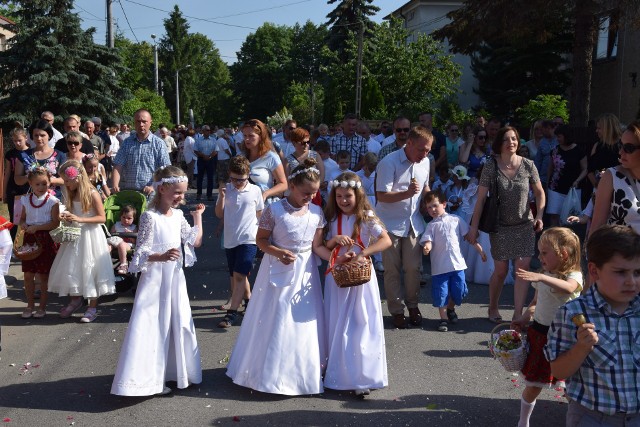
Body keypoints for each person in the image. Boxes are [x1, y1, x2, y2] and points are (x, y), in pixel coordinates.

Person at [226, 159, 326, 396]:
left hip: (305, 271)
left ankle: (301, 370)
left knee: (303, 320)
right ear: (291, 185)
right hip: (278, 267)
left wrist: (337, 259)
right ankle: (267, 370)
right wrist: (278, 252)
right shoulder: (275, 210)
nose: (310, 198)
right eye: (305, 193)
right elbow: (261, 240)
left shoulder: (316, 212)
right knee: (277, 316)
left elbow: (318, 246)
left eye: (314, 193)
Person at [111, 166, 205, 397]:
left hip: (174, 278)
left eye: (183, 193)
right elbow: (141, 252)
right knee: (152, 324)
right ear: (162, 189)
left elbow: (195, 241)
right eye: (177, 193)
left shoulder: (179, 216)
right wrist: (160, 256)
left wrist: (198, 218)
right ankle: (146, 379)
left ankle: (174, 371)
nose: (181, 197)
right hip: (154, 279)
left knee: (176, 321)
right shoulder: (149, 217)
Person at [545, 225, 640, 426]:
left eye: (638, 272)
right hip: (593, 417)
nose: (631, 281)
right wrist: (581, 348)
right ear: (594, 271)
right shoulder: (573, 313)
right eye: (621, 272)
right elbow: (559, 371)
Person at [316, 172, 391, 397]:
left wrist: (363, 254)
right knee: (337, 321)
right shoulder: (329, 217)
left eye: (348, 196)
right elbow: (320, 247)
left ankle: (361, 376)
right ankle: (337, 371)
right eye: (338, 196)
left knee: (360, 323)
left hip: (361, 278)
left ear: (357, 195)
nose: (343, 200)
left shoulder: (366, 216)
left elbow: (385, 239)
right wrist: (333, 242)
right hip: (337, 276)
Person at [467, 126, 545, 323]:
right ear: (499, 143)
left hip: (524, 224)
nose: (511, 142)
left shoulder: (528, 165)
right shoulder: (491, 166)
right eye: (507, 139)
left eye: (514, 139)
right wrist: (473, 227)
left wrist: (540, 215)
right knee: (501, 271)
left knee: (523, 268)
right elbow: (481, 199)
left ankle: (518, 314)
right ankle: (493, 306)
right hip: (500, 226)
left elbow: (540, 193)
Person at [510, 227, 583, 427]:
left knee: (572, 386)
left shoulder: (574, 276)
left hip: (566, 337)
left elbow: (568, 288)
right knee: (534, 384)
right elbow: (535, 302)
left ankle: (576, 419)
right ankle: (523, 421)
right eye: (539, 252)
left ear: (563, 254)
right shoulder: (543, 274)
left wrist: (541, 277)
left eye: (544, 253)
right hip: (541, 334)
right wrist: (524, 319)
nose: (539, 256)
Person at [375, 126, 432, 329]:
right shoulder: (388, 162)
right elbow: (382, 195)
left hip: (413, 223)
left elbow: (425, 187)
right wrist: (407, 193)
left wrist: (430, 200)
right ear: (409, 144)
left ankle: (413, 306)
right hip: (389, 224)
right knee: (392, 270)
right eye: (421, 150)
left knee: (413, 268)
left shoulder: (425, 163)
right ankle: (397, 310)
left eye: (428, 150)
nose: (425, 154)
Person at [48, 160, 115, 323]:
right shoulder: (71, 192)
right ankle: (75, 300)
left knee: (91, 267)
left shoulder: (92, 193)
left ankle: (92, 306)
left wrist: (79, 218)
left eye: (67, 180)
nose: (65, 184)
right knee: (73, 267)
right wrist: (66, 217)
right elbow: (73, 212)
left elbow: (101, 218)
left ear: (77, 178)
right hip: (75, 234)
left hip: (91, 235)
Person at [421, 190, 486, 332]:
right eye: (429, 207)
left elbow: (469, 237)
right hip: (440, 267)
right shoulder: (431, 226)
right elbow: (428, 240)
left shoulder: (456, 220)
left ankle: (451, 308)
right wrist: (427, 247)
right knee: (441, 293)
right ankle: (443, 319)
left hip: (457, 265)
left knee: (459, 290)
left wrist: (480, 250)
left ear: (444, 204)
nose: (432, 209)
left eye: (435, 205)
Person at [215, 156, 264, 328]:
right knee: (236, 275)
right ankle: (249, 302)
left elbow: (260, 214)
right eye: (234, 179)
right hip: (230, 239)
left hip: (249, 239)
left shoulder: (255, 191)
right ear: (229, 175)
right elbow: (219, 214)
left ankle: (232, 313)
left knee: (240, 275)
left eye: (241, 180)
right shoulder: (226, 189)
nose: (237, 183)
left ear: (248, 174)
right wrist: (221, 197)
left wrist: (264, 237)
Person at [17, 167, 60, 318]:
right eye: (37, 184)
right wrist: (23, 224)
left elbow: (55, 223)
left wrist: (38, 227)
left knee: (43, 276)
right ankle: (29, 306)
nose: (41, 187)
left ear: (50, 183)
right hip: (30, 239)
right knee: (28, 275)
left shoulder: (53, 201)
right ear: (30, 183)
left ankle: (42, 307)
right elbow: (22, 218)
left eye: (44, 184)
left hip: (45, 239)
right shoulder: (25, 199)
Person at [590, 121, 640, 236]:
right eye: (620, 145)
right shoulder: (612, 176)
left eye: (628, 148)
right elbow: (597, 226)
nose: (620, 152)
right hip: (620, 252)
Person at [112, 109, 171, 196]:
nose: (141, 125)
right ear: (134, 123)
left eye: (144, 121)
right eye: (138, 121)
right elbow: (118, 165)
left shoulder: (159, 144)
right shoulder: (127, 142)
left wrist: (153, 186)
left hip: (150, 194)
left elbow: (165, 169)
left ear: (150, 122)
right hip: (128, 192)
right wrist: (115, 185)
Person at [546, 125, 587, 227]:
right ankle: (554, 238)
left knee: (569, 217)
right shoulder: (555, 150)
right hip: (555, 187)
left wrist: (578, 180)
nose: (557, 139)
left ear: (566, 136)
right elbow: (550, 168)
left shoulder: (579, 150)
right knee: (554, 214)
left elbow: (585, 169)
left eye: (559, 136)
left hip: (572, 189)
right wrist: (547, 184)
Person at [241, 119, 288, 206]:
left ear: (261, 136)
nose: (247, 139)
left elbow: (284, 184)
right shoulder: (241, 156)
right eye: (244, 135)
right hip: (244, 206)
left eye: (251, 136)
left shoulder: (271, 157)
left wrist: (266, 193)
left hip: (264, 207)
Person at [14, 120, 66, 197]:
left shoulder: (60, 155)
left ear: (49, 135)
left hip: (53, 199)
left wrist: (47, 179)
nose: (39, 138)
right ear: (32, 136)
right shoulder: (24, 155)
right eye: (36, 135)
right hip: (30, 199)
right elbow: (17, 180)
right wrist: (29, 177)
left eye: (42, 135)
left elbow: (65, 180)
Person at [4, 128, 31, 240]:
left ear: (26, 138)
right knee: (14, 218)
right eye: (15, 141)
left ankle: (30, 243)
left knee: (29, 217)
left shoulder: (32, 152)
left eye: (19, 140)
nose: (17, 143)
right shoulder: (10, 154)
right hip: (13, 189)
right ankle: (11, 245)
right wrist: (5, 192)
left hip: (28, 188)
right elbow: (8, 173)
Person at [587, 113, 623, 189]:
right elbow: (590, 170)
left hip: (620, 190)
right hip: (600, 189)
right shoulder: (597, 146)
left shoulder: (623, 146)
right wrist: (598, 187)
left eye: (599, 128)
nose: (596, 131)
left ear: (608, 128)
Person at [106, 204, 137, 275]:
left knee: (121, 245)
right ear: (120, 217)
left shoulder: (134, 227)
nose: (126, 220)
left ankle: (123, 264)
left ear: (133, 218)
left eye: (129, 218)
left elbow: (135, 241)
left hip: (127, 244)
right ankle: (106, 263)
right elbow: (111, 234)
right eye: (123, 217)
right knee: (108, 245)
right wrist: (114, 233)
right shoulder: (116, 225)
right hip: (115, 242)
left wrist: (130, 234)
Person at [194, 125, 218, 201]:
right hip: (201, 159)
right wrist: (203, 156)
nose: (208, 131)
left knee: (210, 178)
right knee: (200, 177)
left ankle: (209, 195)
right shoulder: (198, 140)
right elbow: (195, 150)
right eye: (207, 130)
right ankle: (199, 194)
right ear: (203, 131)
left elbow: (216, 150)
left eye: (209, 130)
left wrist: (210, 156)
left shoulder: (213, 140)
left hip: (211, 160)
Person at [534, 120, 558, 189]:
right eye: (543, 129)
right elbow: (538, 160)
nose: (544, 131)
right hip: (543, 176)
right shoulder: (542, 142)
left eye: (548, 128)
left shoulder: (558, 140)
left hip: (556, 175)